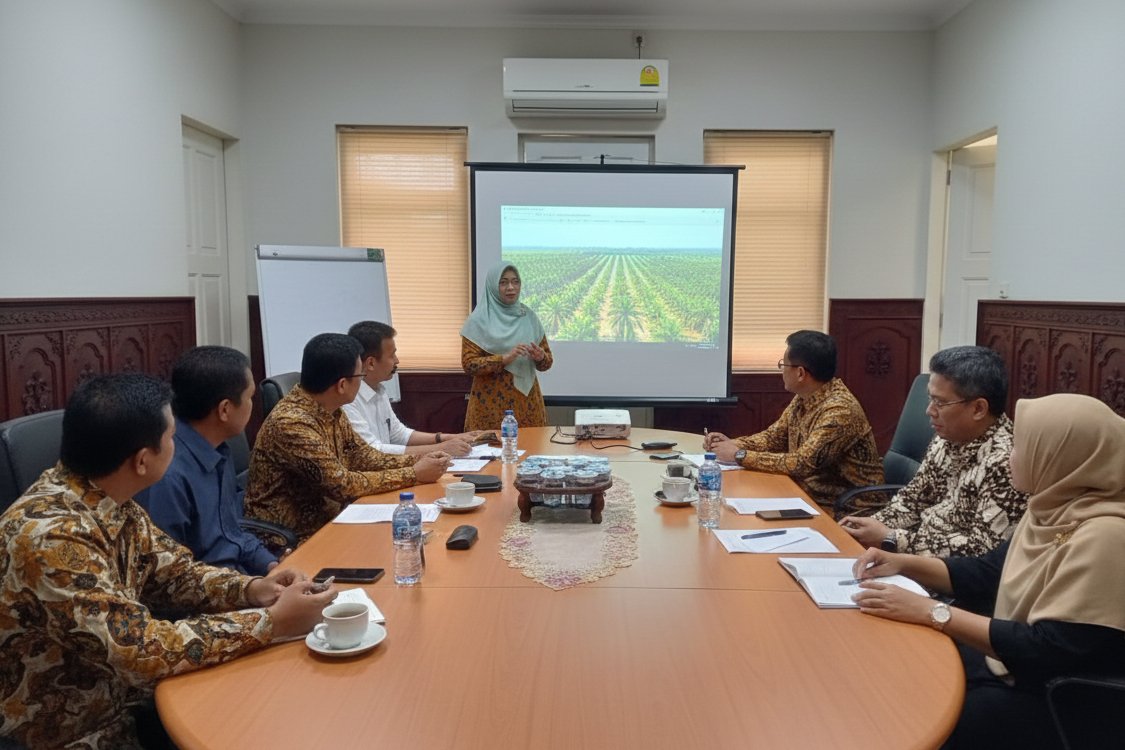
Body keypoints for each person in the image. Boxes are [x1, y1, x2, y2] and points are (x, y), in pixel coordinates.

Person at [0, 374, 335, 749]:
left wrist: (254, 589)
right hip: (73, 730)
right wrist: (271, 622)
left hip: (130, 699)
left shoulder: (109, 500)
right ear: (143, 460)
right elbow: (139, 649)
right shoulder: (50, 539)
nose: (178, 446)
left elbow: (176, 574)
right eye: (172, 437)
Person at [851, 393, 1125, 749]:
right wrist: (904, 563)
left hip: (1062, 696)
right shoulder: (1051, 506)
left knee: (929, 708)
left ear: (1059, 457)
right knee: (907, 667)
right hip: (1015, 665)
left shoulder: (1108, 536)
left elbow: (1050, 648)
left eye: (1022, 447)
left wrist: (932, 613)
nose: (1010, 455)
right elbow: (988, 571)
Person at [245, 333, 451, 544]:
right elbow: (342, 484)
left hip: (330, 522)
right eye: (360, 377)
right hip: (289, 540)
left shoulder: (331, 409)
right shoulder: (292, 423)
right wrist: (413, 473)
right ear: (342, 385)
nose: (362, 383)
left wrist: (422, 461)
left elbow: (363, 456)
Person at [841, 345, 1028, 557]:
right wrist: (868, 528)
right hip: (912, 556)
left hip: (947, 579)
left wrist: (893, 539)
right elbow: (912, 500)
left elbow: (982, 554)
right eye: (931, 399)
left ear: (978, 409)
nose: (929, 411)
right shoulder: (946, 439)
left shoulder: (1006, 463)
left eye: (940, 402)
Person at [134, 346, 280, 575]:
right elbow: (165, 578)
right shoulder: (166, 475)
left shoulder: (218, 450)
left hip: (240, 580)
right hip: (209, 597)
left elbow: (232, 533)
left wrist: (271, 565)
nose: (253, 405)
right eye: (250, 397)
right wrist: (254, 592)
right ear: (225, 409)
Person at [704, 330, 883, 507]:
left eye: (784, 365)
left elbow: (801, 463)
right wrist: (732, 444)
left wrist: (738, 455)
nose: (781, 371)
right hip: (809, 495)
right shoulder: (806, 396)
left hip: (848, 508)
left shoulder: (840, 411)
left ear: (800, 373)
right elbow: (773, 438)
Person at [344, 320, 483, 456]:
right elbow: (372, 451)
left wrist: (447, 438)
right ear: (371, 363)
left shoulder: (379, 390)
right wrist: (440, 448)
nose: (397, 360)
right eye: (392, 355)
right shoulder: (348, 401)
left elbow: (399, 434)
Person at [461, 262, 553, 431]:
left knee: (531, 453)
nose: (511, 287)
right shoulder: (478, 320)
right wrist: (503, 359)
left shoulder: (529, 317)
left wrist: (541, 357)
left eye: (515, 281)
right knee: (490, 455)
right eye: (503, 282)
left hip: (528, 406)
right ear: (493, 286)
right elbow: (469, 364)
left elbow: (547, 362)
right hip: (490, 408)